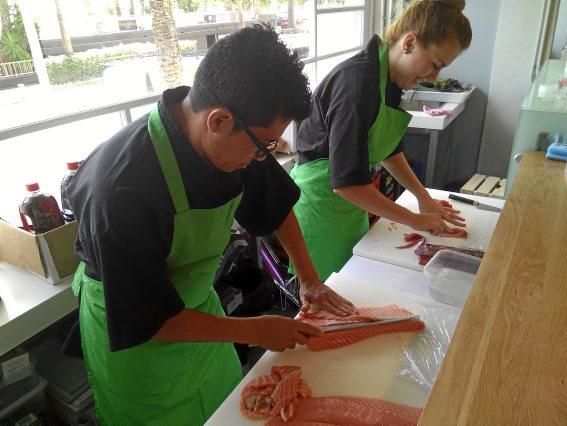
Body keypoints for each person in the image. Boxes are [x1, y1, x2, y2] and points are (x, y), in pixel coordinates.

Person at [67, 25, 354, 425]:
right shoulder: (119, 191)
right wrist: (254, 331)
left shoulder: (232, 139)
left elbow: (275, 208)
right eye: (265, 144)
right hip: (138, 337)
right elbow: (149, 319)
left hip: (200, 308)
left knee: (228, 407)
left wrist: (308, 278)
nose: (265, 157)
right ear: (218, 121)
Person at [290, 0, 472, 281]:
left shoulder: (388, 79)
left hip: (351, 205)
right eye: (434, 65)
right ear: (409, 42)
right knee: (328, 300)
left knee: (356, 284)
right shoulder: (356, 84)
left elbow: (387, 148)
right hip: (322, 206)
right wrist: (412, 219)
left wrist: (422, 196)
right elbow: (347, 183)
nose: (434, 77)